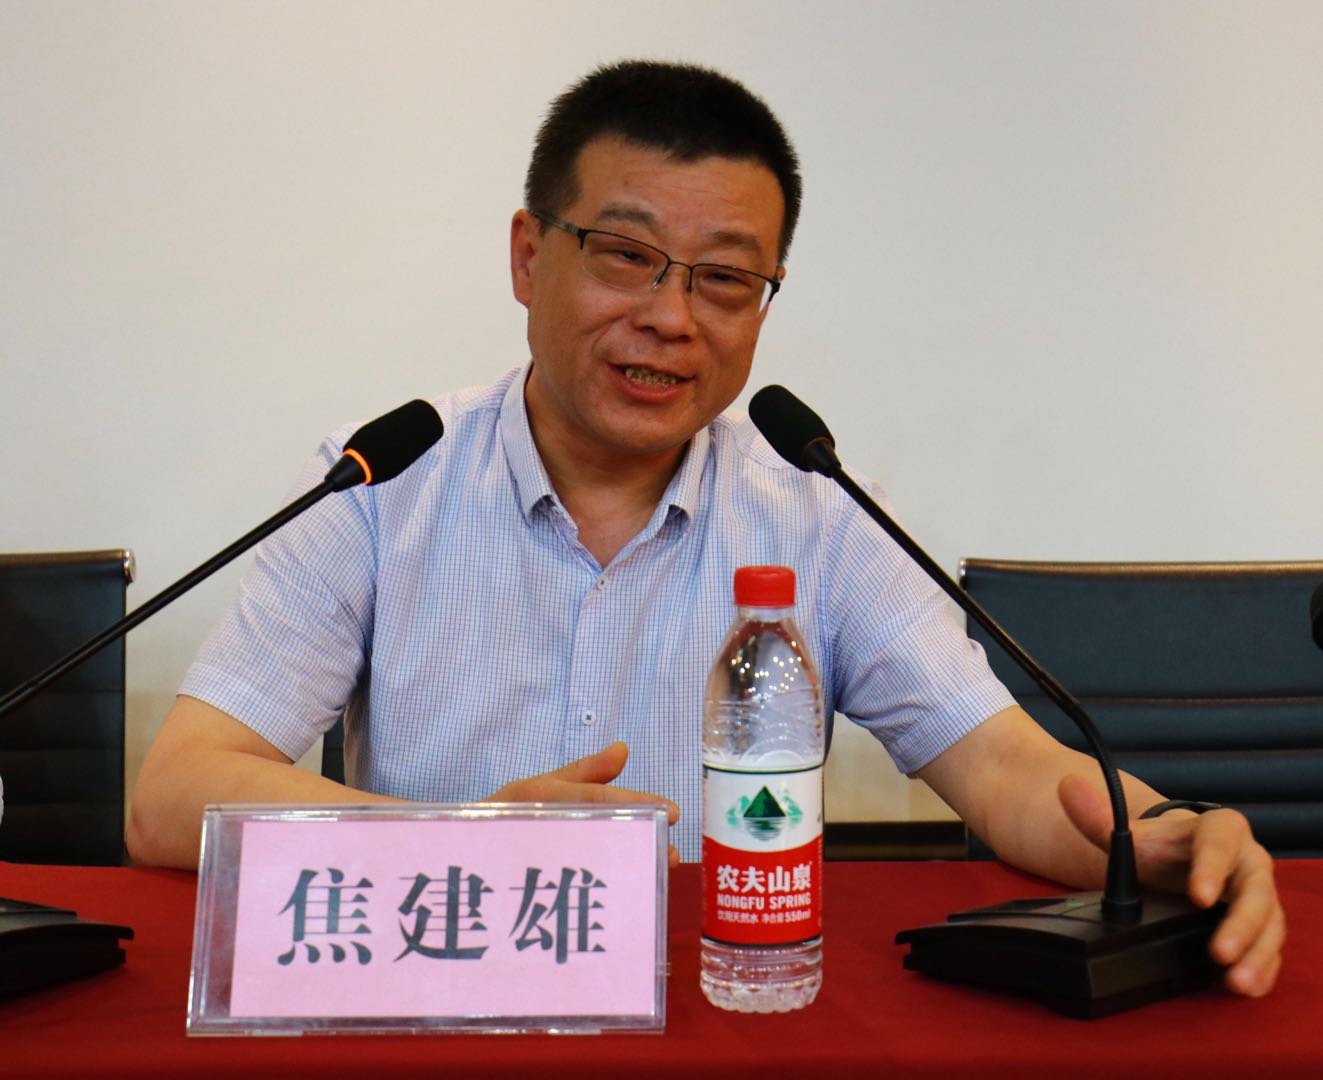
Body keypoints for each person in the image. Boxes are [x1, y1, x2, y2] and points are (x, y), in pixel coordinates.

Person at [127, 59, 1283, 997]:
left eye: (725, 279)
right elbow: (174, 793)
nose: (671, 318)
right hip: (446, 999)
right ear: (529, 256)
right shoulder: (384, 483)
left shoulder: (816, 507)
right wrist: (462, 838)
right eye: (627, 256)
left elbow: (1005, 769)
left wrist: (1165, 835)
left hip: (724, 1001)